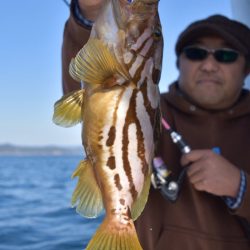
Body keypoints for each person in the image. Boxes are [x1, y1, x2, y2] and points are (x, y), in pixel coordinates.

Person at [61, 1, 250, 249]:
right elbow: (84, 87)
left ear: (246, 69)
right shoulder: (154, 108)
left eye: (226, 55)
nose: (209, 65)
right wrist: (88, 16)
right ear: (177, 61)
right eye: (196, 53)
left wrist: (241, 188)